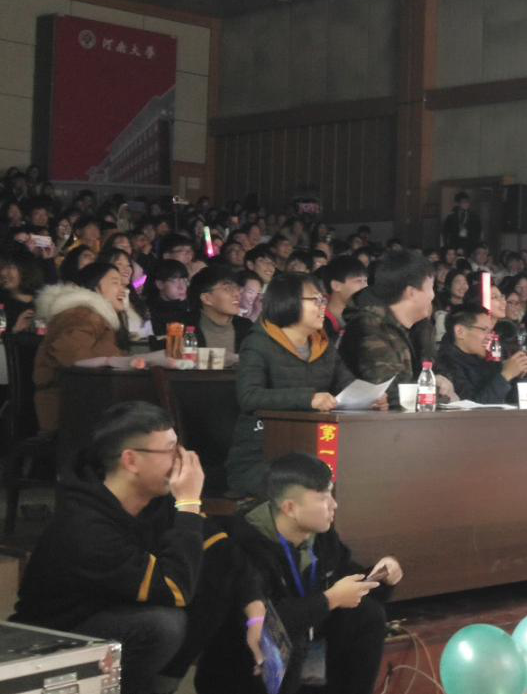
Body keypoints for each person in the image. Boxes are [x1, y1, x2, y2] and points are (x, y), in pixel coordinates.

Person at [13, 401, 264, 694]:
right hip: (55, 640)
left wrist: (256, 614)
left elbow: (226, 555)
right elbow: (175, 588)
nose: (183, 459)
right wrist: (189, 504)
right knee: (162, 625)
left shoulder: (156, 502)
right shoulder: (86, 527)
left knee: (215, 573)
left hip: (117, 613)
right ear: (131, 460)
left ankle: (163, 687)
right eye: (170, 450)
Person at [200, 453, 402, 694]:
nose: (334, 504)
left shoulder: (321, 536)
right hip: (241, 666)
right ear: (290, 508)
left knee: (367, 614)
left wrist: (382, 577)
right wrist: (331, 599)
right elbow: (265, 623)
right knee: (286, 635)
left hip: (304, 653)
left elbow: (345, 580)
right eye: (323, 497)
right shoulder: (243, 544)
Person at [228, 273, 365, 497]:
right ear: (288, 301)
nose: (322, 306)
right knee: (314, 484)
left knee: (358, 475)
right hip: (262, 454)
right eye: (315, 300)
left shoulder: (322, 344)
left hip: (310, 448)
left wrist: (368, 397)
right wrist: (308, 399)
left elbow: (346, 384)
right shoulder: (258, 343)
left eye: (323, 300)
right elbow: (249, 396)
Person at [33, 263, 146, 432]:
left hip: (84, 402)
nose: (123, 290)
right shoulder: (82, 314)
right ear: (95, 287)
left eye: (123, 284)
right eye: (115, 283)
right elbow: (73, 356)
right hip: (68, 408)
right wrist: (113, 360)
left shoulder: (96, 316)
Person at [340, 249, 450, 407]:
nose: (433, 296)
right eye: (431, 288)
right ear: (411, 292)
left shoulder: (421, 327)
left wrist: (442, 380)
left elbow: (435, 370)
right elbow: (390, 391)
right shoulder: (369, 327)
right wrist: (437, 392)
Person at [435, 306, 527, 403]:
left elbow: (512, 401)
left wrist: (516, 373)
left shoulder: (486, 359)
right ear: (460, 331)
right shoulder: (445, 364)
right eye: (484, 330)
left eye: (491, 331)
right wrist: (506, 375)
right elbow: (471, 407)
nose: (490, 337)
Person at [188, 266, 252, 356]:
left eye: (237, 288)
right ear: (206, 298)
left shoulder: (247, 328)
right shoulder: (183, 329)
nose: (237, 293)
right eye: (227, 289)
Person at [319, 256, 368, 340]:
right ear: (336, 285)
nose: (365, 286)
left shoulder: (364, 316)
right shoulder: (318, 321)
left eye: (366, 281)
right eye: (359, 281)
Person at [147, 259, 194, 333]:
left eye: (184, 280)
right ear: (160, 284)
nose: (181, 287)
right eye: (174, 281)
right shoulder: (149, 313)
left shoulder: (192, 308)